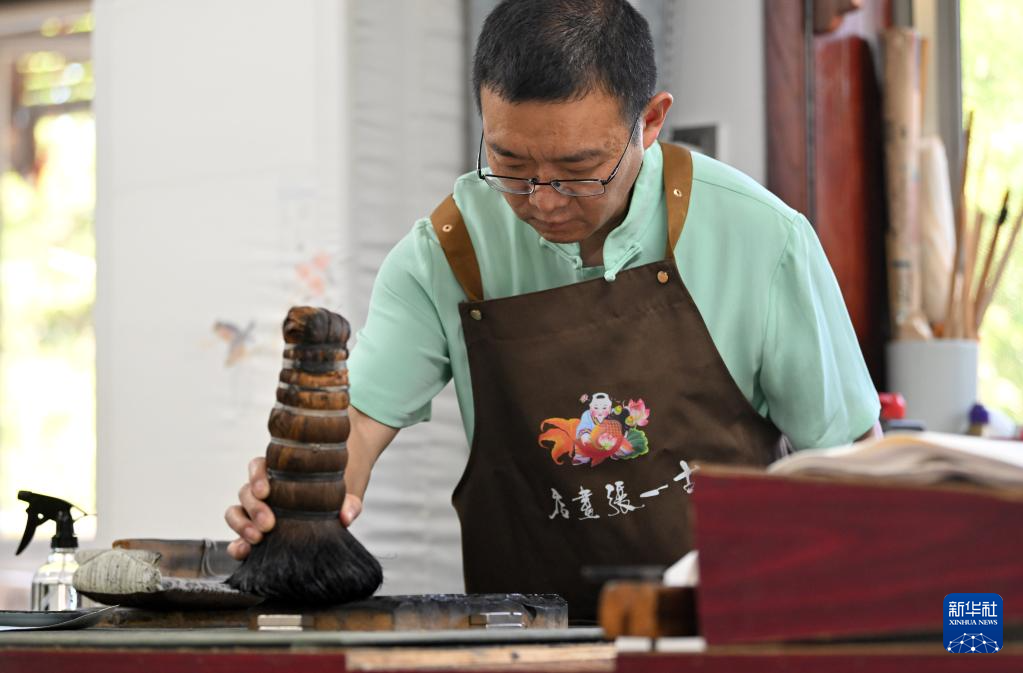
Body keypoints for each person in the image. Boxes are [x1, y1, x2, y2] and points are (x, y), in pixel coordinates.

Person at [225, 0, 881, 620]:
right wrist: (303, 488)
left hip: (727, 632)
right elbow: (360, 424)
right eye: (509, 162)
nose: (542, 199)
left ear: (650, 122)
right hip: (527, 643)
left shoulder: (759, 237)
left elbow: (849, 467)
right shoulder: (450, 252)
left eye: (578, 169)